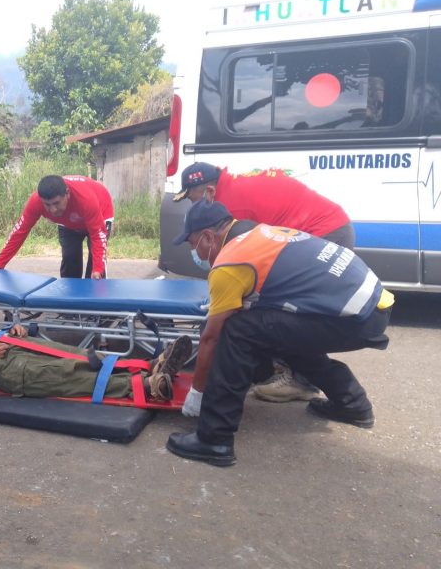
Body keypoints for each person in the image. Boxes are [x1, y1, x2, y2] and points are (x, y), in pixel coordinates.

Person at [166, 200, 393, 467]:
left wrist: (198, 392)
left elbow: (212, 338)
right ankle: (352, 403)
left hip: (355, 315)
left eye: (193, 244)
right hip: (376, 304)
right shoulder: (258, 232)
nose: (195, 252)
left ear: (207, 236)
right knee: (278, 331)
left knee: (238, 330)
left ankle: (214, 438)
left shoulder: (230, 262)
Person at [174, 162, 355, 402]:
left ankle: (301, 381)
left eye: (192, 197)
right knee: (273, 311)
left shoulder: (231, 203)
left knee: (290, 313)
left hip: (323, 231)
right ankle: (280, 370)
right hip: (328, 225)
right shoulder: (232, 185)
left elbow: (239, 259)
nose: (192, 204)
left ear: (208, 190)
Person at [0, 321, 193, 401]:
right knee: (65, 374)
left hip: (11, 342)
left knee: (79, 355)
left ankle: (147, 364)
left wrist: (13, 330)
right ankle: (146, 385)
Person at [0, 175, 114, 279]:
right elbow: (19, 231)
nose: (53, 210)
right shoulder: (36, 201)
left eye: (56, 203)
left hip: (101, 212)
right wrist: (0, 263)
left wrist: (97, 270)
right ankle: (68, 301)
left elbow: (98, 236)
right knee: (69, 256)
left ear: (67, 194)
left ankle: (94, 303)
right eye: (47, 205)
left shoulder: (86, 200)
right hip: (68, 222)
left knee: (95, 266)